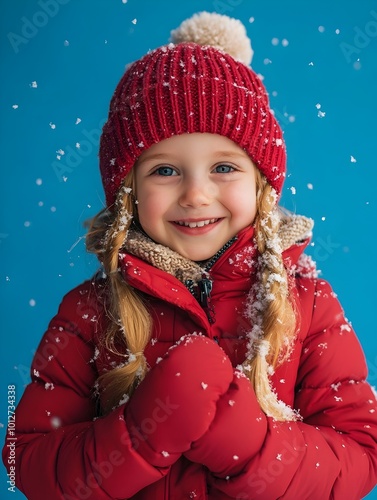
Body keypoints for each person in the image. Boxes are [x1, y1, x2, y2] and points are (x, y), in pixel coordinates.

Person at [3, 11, 377, 500]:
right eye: (164, 171)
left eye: (223, 166)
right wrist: (139, 434)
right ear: (128, 190)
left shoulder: (308, 305)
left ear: (261, 183)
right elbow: (25, 460)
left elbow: (359, 457)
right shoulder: (90, 312)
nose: (197, 195)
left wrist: (250, 445)